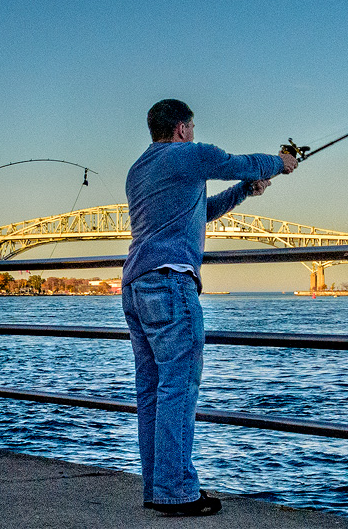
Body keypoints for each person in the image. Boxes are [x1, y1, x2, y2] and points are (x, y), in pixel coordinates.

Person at [122, 99, 297, 516]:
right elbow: (238, 161)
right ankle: (178, 491)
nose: (195, 133)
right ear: (182, 128)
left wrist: (243, 191)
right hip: (170, 284)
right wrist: (280, 162)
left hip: (135, 285)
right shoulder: (189, 156)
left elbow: (203, 211)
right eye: (193, 126)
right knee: (178, 387)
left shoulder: (140, 169)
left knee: (152, 391)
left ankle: (159, 487)